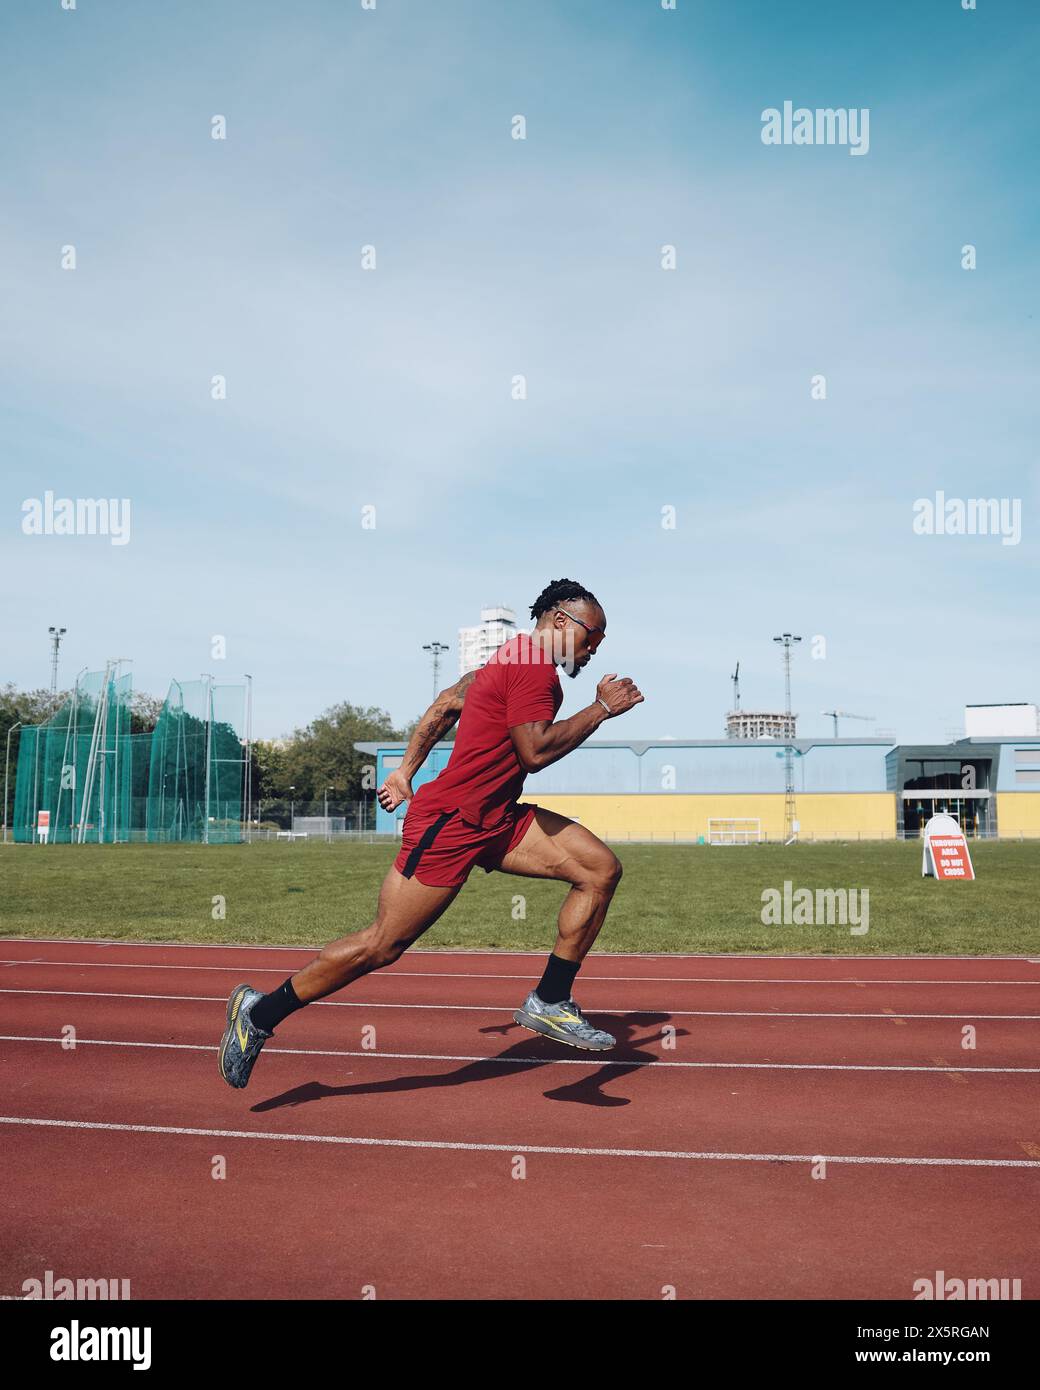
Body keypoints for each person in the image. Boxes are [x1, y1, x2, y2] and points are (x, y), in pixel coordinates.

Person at [219, 578, 643, 1089]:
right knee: (381, 945)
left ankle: (550, 999)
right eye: (591, 634)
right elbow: (536, 751)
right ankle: (259, 1015)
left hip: (497, 819)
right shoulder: (534, 673)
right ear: (558, 621)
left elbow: (447, 702)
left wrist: (403, 771)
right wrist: (601, 710)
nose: (594, 647)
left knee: (599, 869)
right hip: (451, 824)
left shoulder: (510, 658)